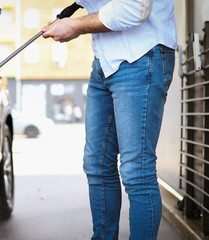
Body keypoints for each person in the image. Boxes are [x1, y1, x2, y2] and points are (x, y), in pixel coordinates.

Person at [42, 1, 177, 239]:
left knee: (137, 171)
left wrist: (74, 26)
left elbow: (136, 8)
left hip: (141, 55)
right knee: (97, 164)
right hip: (104, 62)